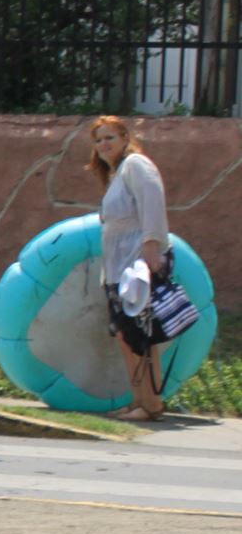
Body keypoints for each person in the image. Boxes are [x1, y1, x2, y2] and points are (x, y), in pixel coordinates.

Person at [91, 114, 172, 421]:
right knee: (126, 335)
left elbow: (153, 203)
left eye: (109, 137)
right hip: (116, 268)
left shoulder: (137, 165)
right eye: (98, 140)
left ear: (125, 137)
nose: (103, 145)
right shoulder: (116, 174)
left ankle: (150, 402)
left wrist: (151, 248)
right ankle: (138, 399)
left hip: (135, 265)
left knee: (141, 334)